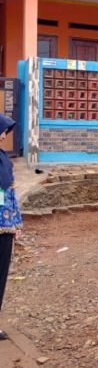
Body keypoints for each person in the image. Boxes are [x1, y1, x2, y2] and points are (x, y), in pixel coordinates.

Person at [0, 114, 22, 341]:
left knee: (1, 276)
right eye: (3, 129)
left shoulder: (4, 159)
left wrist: (16, 222)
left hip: (4, 228)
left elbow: (10, 193)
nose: (5, 134)